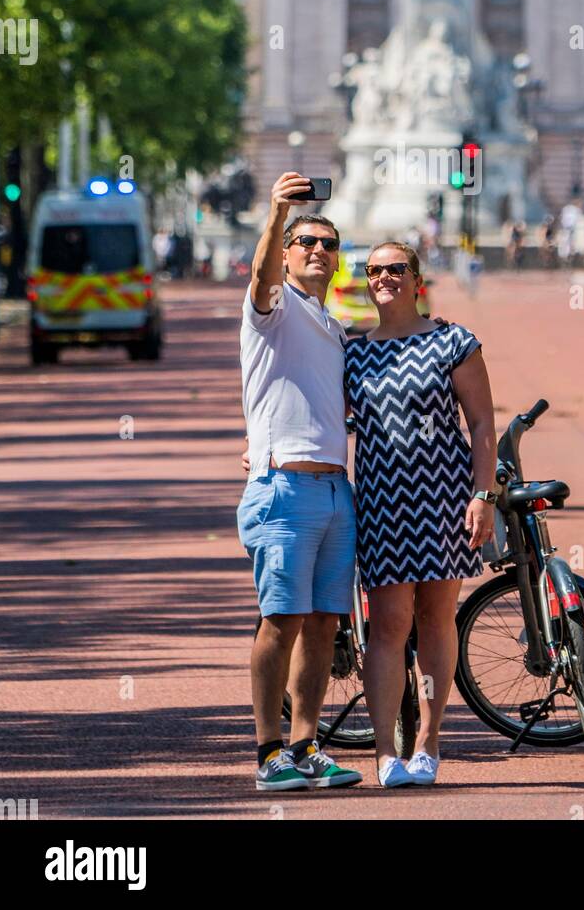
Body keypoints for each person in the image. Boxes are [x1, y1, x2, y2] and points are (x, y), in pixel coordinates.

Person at [344, 241, 498, 788]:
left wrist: (484, 494)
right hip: (384, 502)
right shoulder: (353, 352)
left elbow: (481, 424)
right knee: (387, 624)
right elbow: (319, 415)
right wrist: (262, 439)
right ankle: (386, 752)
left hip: (444, 498)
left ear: (416, 279)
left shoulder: (453, 342)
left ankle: (429, 743)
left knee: (436, 619)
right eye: (374, 271)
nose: (384, 278)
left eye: (395, 269)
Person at [237, 171, 362, 794]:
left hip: (337, 492)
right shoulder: (273, 307)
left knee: (323, 624)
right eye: (306, 241)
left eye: (328, 245)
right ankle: (267, 753)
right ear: (288, 253)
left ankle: (307, 744)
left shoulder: (334, 328)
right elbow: (259, 275)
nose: (317, 250)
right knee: (280, 621)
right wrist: (278, 211)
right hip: (284, 491)